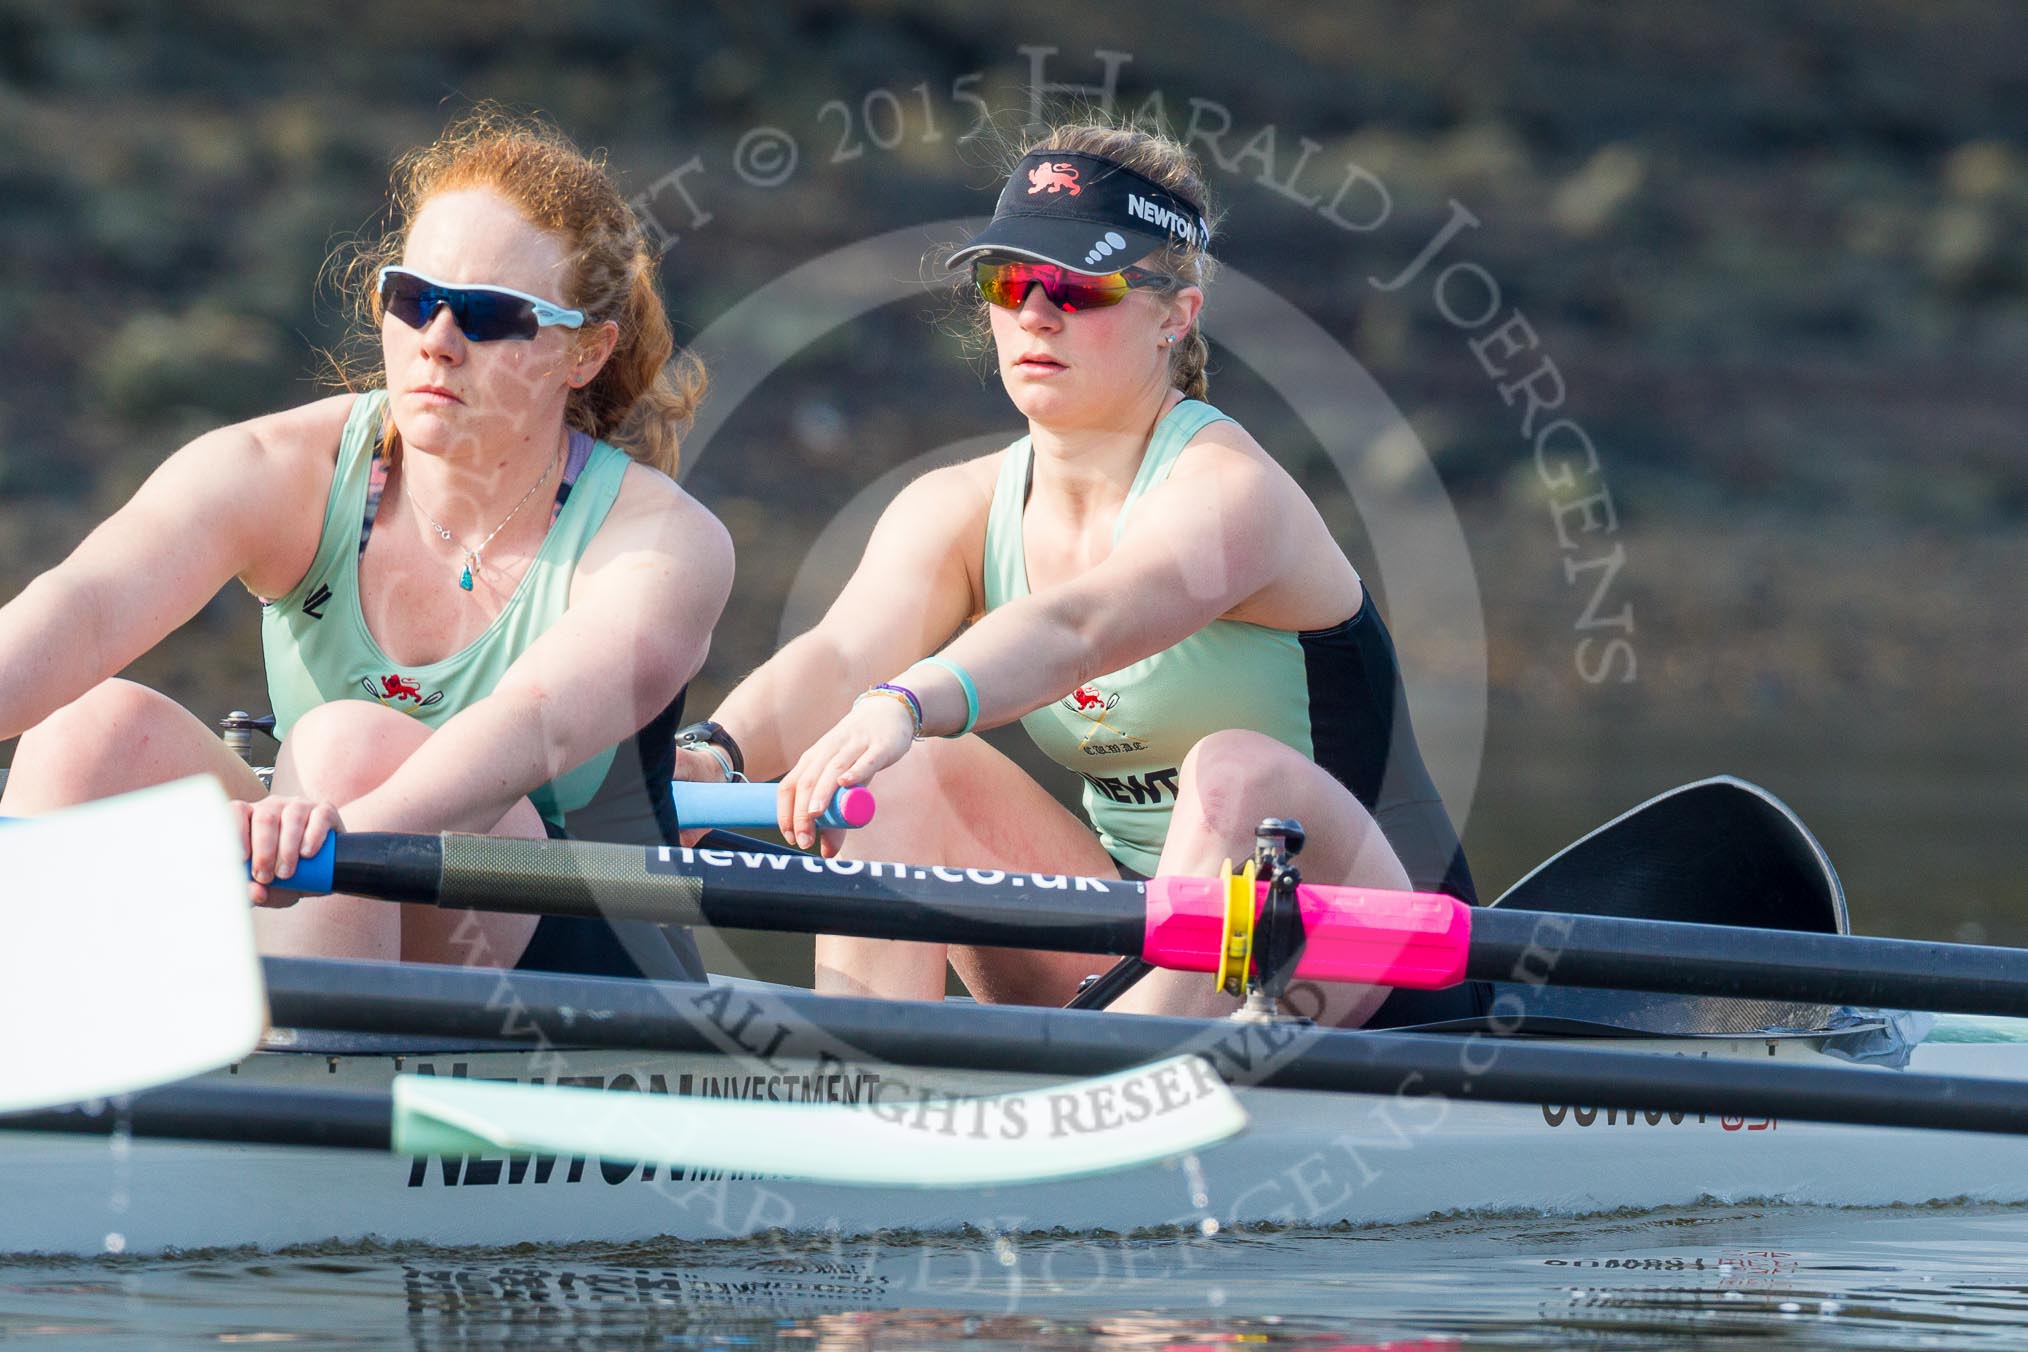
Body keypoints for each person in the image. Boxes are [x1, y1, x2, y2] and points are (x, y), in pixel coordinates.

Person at [674, 122, 1484, 1025]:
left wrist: (902, 701)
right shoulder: (957, 507)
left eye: (1077, 286)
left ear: (1177, 313)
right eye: (1008, 281)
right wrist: (713, 756)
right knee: (904, 775)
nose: (1035, 313)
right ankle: (854, 1090)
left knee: (1237, 775)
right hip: (1146, 948)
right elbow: (837, 656)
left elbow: (1080, 627)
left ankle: (1109, 1101)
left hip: (1381, 965)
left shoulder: (1232, 492)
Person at [0, 110, 732, 978]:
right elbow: (82, 610)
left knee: (349, 745)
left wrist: (344, 835)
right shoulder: (278, 468)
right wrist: (315, 845)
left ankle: (303, 1099)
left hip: (582, 951)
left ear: (584, 353)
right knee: (90, 729)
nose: (438, 342)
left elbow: (529, 726)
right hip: (321, 877)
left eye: (491, 316)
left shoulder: (665, 542)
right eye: (415, 299)